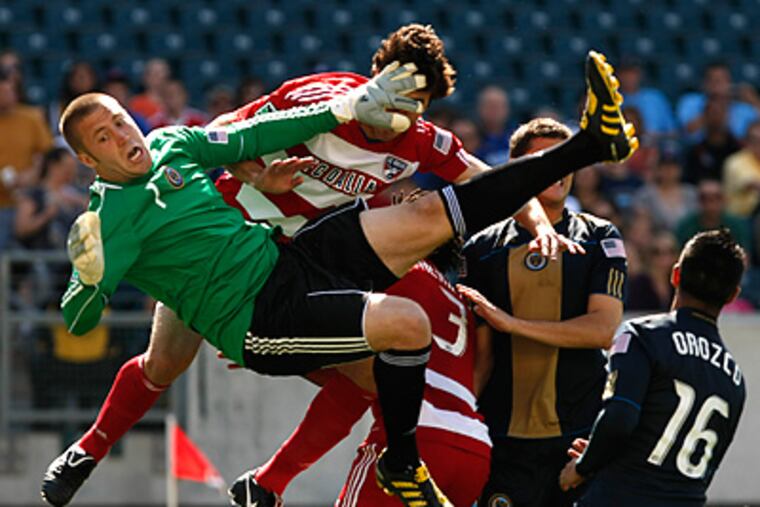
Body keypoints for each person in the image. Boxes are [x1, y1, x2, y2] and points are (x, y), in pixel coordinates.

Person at [41, 49, 636, 507]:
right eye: (107, 136)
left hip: (295, 255)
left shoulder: (411, 133)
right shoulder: (327, 96)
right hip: (237, 262)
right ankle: (89, 449)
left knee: (428, 228)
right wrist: (257, 176)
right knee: (163, 365)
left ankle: (589, 143)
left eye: (415, 105)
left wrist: (535, 216)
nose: (401, 117)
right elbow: (245, 131)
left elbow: (478, 177)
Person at [224, 254, 492, 507]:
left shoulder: (392, 266)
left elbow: (357, 386)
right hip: (474, 452)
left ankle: (268, 481)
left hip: (417, 444)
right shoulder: (456, 298)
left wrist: (272, 478)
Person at [455, 118, 627, 507]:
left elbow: (602, 330)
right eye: (544, 159)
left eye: (565, 161)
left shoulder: (600, 237)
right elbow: (481, 358)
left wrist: (513, 324)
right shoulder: (482, 248)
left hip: (577, 438)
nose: (558, 171)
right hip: (504, 440)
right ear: (518, 169)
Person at [559, 229, 747, 507]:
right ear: (732, 295)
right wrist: (603, 453)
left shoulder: (643, 335)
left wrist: (582, 468)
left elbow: (620, 418)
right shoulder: (735, 380)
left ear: (676, 275)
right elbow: (701, 471)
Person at [0, 67, 54, 251]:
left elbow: (46, 157)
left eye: (8, 90)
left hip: (29, 201)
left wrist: (31, 175)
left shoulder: (31, 117)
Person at [677, 62, 760, 142]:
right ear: (704, 83)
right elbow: (683, 134)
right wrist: (709, 114)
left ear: (730, 83)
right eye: (712, 80)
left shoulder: (744, 109)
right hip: (697, 151)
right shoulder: (690, 102)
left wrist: (754, 101)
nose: (716, 85)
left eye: (721, 80)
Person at [676, 179, 750, 252]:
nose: (711, 206)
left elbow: (745, 255)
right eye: (705, 199)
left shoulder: (736, 225)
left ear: (724, 200)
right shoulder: (685, 226)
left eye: (716, 199)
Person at [722, 119, 760, 217]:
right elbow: (751, 184)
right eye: (755, 140)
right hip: (741, 218)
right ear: (746, 141)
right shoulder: (735, 161)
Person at [474, 84, 513, 166]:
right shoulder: (471, 139)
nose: (494, 111)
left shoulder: (518, 137)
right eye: (490, 106)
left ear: (507, 109)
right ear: (480, 108)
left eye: (498, 106)